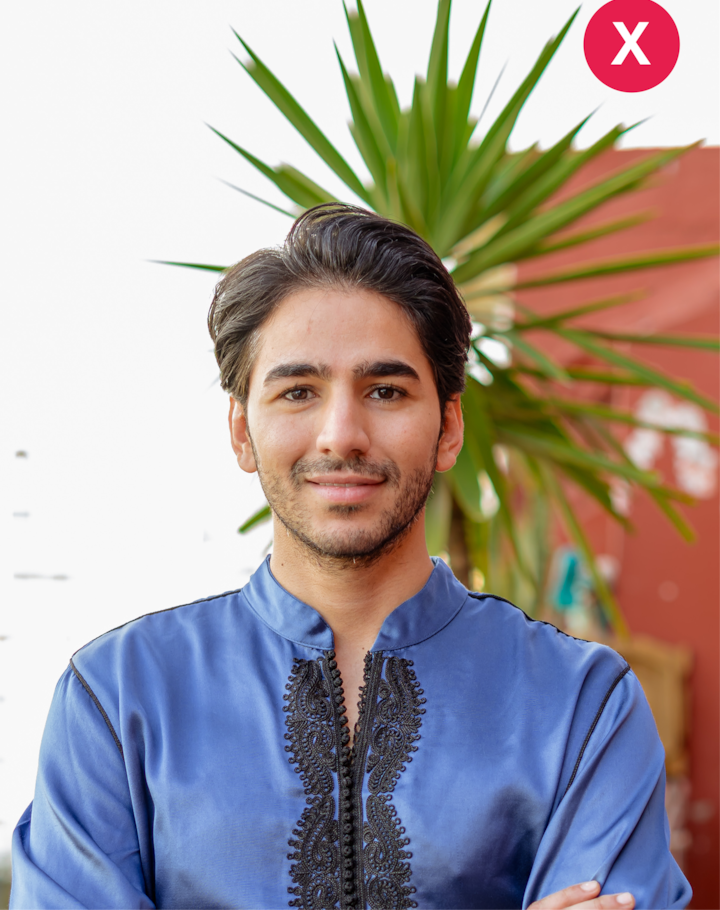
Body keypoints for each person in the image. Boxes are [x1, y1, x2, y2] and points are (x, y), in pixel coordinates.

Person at [11, 204, 690, 909]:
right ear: (243, 431)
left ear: (449, 427)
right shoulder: (118, 700)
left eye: (386, 390)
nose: (341, 433)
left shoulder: (581, 705)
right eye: (298, 391)